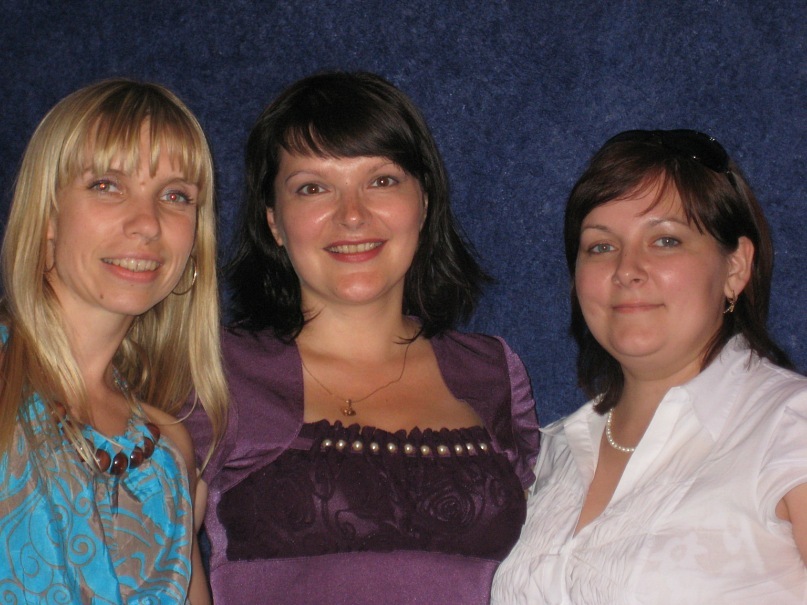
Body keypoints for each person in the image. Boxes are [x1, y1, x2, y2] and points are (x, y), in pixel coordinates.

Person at [184, 71, 540, 605]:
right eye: (313, 188)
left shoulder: (492, 373)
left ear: (424, 202)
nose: (352, 215)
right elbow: (147, 565)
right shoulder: (215, 369)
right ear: (274, 221)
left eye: (382, 181)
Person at [491, 129, 807, 604]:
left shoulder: (790, 426)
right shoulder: (551, 452)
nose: (626, 269)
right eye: (601, 247)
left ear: (736, 267)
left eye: (665, 240)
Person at [0, 79, 229, 604]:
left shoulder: (168, 453)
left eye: (175, 196)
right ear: (48, 215)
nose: (147, 223)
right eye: (107, 185)